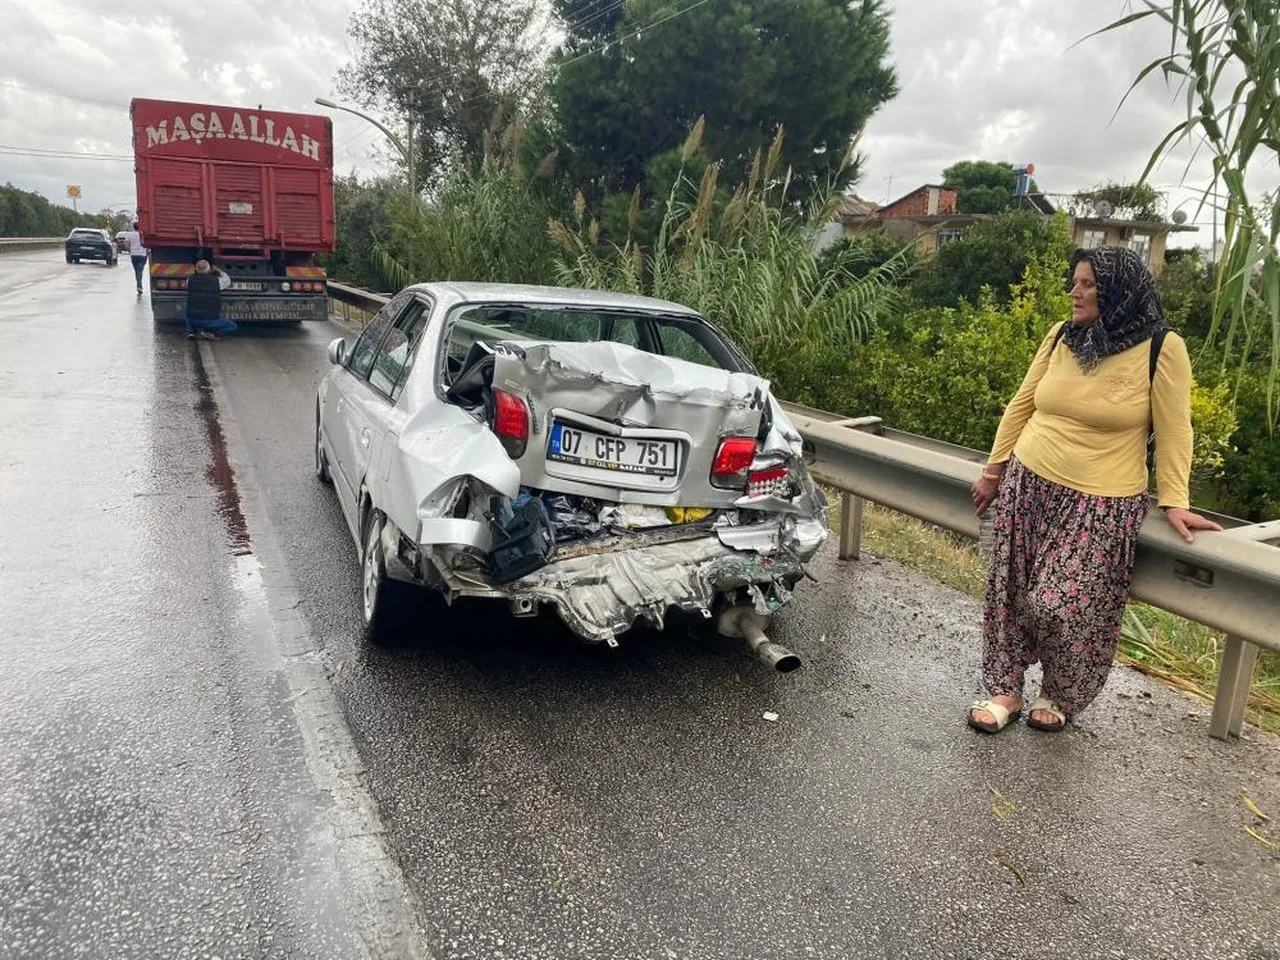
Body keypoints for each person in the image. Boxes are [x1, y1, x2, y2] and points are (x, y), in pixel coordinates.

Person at [967, 246, 1221, 735]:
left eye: (1087, 284)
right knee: (1010, 594)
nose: (1074, 292)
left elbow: (1175, 430)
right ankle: (1005, 689)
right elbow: (1023, 403)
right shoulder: (1063, 336)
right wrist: (994, 470)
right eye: (1074, 282)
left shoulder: (1161, 347)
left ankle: (1060, 692)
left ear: (1117, 289)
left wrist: (1176, 502)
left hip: (1102, 501)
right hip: (1028, 480)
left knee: (1058, 603)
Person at [184, 260, 238, 341]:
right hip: (210, 320)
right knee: (233, 326)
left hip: (193, 319)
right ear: (209, 270)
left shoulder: (190, 280)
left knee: (186, 310)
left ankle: (191, 332)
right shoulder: (217, 281)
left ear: (196, 269)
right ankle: (212, 333)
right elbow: (227, 280)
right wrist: (218, 270)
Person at [120, 221, 148, 295]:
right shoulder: (143, 234)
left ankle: (139, 285)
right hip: (142, 255)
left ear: (133, 227)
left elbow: (126, 245)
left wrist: (130, 250)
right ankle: (139, 285)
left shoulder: (130, 235)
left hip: (134, 255)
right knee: (140, 270)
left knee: (137, 271)